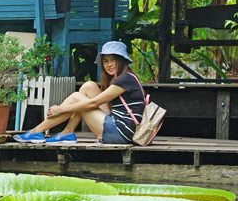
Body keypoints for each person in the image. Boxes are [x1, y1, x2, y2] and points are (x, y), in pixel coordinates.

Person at [13, 41, 145, 144]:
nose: (109, 64)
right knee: (88, 86)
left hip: (119, 133)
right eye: (105, 61)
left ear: (121, 60)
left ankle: (37, 131)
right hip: (118, 125)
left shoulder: (125, 79)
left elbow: (95, 103)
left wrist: (61, 109)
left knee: (76, 97)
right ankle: (67, 132)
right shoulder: (127, 77)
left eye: (113, 60)